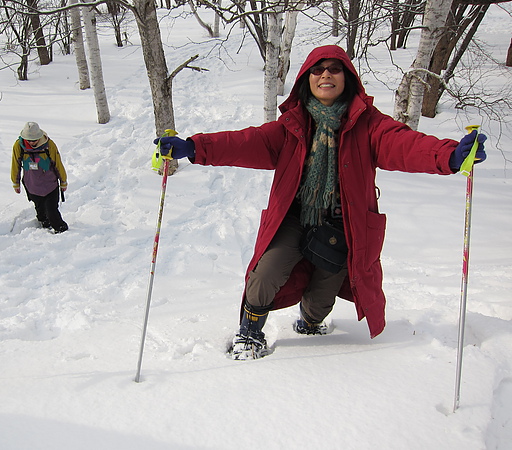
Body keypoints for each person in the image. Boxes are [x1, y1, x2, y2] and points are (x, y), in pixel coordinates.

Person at [154, 45, 487, 360]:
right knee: (265, 271)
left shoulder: (368, 124)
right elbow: (244, 142)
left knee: (321, 299)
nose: (326, 75)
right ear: (306, 79)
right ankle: (249, 332)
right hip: (294, 217)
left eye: (334, 69)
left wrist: (450, 156)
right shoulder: (291, 126)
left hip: (342, 224)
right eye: (318, 70)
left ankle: (311, 321)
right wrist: (194, 148)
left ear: (347, 79)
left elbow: (403, 144)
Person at [11, 121, 69, 233]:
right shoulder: (19, 146)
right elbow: (15, 164)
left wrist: (63, 181)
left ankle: (61, 229)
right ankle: (44, 224)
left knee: (52, 210)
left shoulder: (49, 145)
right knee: (40, 209)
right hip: (32, 185)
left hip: (50, 184)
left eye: (35, 140)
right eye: (29, 140)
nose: (32, 143)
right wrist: (15, 182)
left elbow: (57, 163)